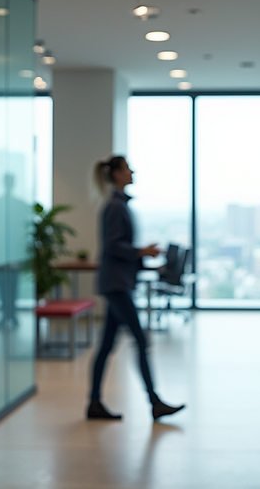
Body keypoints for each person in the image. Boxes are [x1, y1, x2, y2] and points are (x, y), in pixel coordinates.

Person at [87, 156, 185, 421]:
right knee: (140, 340)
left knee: (107, 345)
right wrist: (142, 251)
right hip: (117, 285)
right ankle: (154, 402)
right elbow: (113, 246)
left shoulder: (120, 205)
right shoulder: (116, 207)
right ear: (117, 174)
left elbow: (119, 249)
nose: (132, 172)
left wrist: (147, 262)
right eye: (128, 168)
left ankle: (94, 403)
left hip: (118, 282)